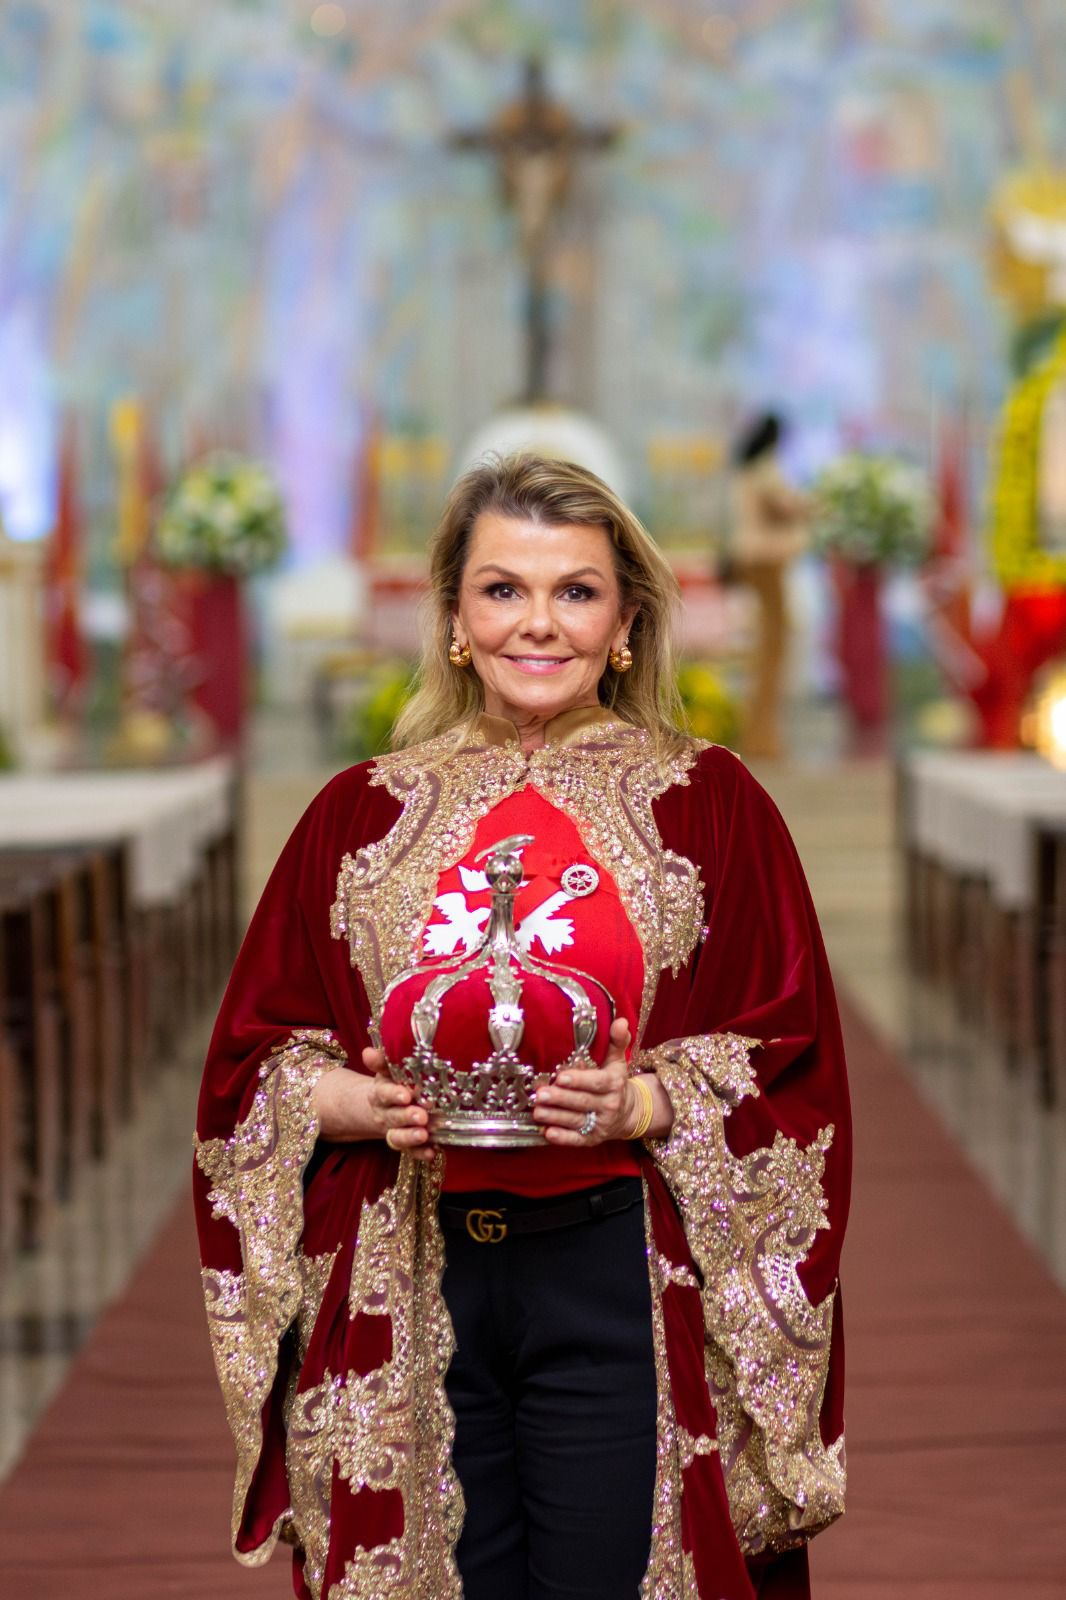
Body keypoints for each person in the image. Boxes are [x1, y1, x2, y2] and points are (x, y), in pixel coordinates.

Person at [194, 452, 851, 1600]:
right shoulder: (356, 813)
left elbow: (789, 1053)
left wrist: (645, 1099)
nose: (536, 624)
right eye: (502, 589)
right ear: (452, 615)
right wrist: (336, 1100)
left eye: (574, 591)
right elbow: (254, 1060)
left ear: (627, 619)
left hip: (619, 1271)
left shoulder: (714, 804)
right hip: (403, 1269)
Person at [730, 413, 810, 760]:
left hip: (756, 560)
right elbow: (784, 507)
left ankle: (763, 733)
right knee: (773, 649)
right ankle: (761, 737)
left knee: (769, 647)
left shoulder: (749, 469)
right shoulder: (765, 470)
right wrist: (816, 504)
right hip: (766, 561)